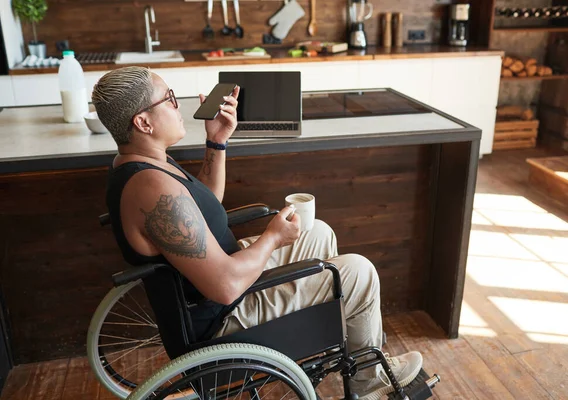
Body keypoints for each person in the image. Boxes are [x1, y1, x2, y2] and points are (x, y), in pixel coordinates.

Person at [92, 66, 423, 400]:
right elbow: (225, 286)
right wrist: (272, 238)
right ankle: (369, 382)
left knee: (317, 232)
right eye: (169, 99)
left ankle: (353, 355)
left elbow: (201, 206)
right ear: (143, 122)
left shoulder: (143, 163)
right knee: (358, 271)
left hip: (221, 275)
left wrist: (217, 142)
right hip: (223, 316)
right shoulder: (151, 187)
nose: (179, 105)